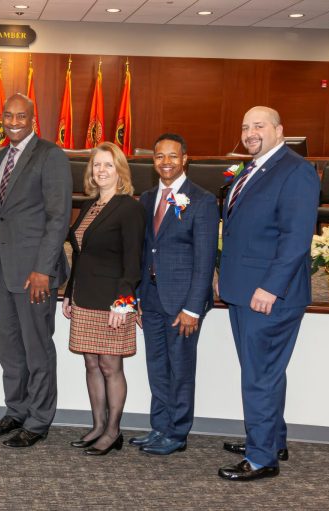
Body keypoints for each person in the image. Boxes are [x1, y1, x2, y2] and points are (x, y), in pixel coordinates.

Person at [217, 107, 319, 481]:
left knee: (259, 375)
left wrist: (271, 287)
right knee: (264, 371)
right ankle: (271, 438)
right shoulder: (252, 167)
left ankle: (261, 459)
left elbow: (296, 238)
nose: (250, 132)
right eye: (245, 127)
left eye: (259, 126)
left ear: (279, 129)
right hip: (243, 289)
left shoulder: (296, 171)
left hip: (269, 295)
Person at [0, 93, 72, 448]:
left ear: (33, 119)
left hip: (34, 273)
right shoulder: (3, 155)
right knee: (10, 348)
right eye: (8, 116)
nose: (14, 121)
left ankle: (38, 420)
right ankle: (16, 410)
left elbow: (58, 218)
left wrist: (42, 271)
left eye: (21, 116)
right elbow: (3, 211)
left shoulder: (50, 156)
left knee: (37, 349)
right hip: (5, 271)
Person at [131, 134, 218, 455]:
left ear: (185, 159)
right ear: (152, 161)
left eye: (172, 156)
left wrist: (194, 308)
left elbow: (205, 258)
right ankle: (159, 427)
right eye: (159, 157)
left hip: (183, 304)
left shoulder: (202, 200)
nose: (165, 162)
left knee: (180, 369)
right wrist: (138, 297)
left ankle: (177, 433)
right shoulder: (147, 198)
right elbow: (144, 251)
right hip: (151, 299)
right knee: (157, 367)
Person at [62, 142, 145, 456]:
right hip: (85, 297)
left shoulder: (129, 208)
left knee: (111, 366)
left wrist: (124, 302)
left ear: (120, 170)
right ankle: (97, 425)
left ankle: (113, 431)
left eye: (108, 165)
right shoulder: (88, 206)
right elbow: (80, 256)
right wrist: (69, 294)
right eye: (96, 165)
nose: (101, 170)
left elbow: (133, 260)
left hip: (112, 301)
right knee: (91, 364)